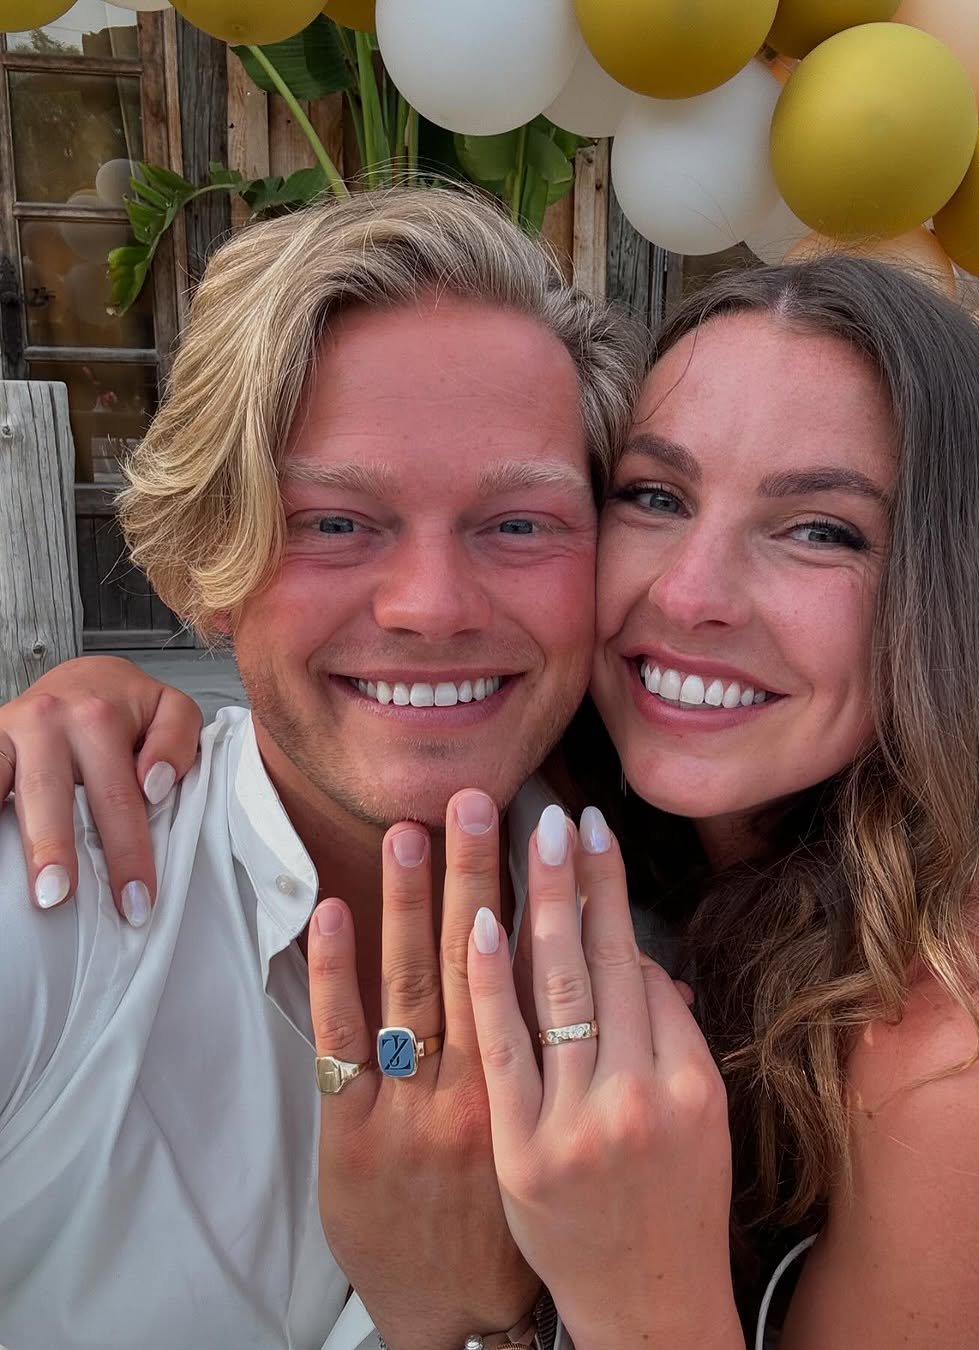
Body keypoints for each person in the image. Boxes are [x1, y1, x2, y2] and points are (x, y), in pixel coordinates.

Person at [5, 257, 979, 1346]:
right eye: (656, 498)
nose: (689, 595)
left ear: (956, 593)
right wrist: (84, 697)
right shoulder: (596, 802)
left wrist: (590, 1306)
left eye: (822, 529)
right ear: (214, 563)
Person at [0, 185, 688, 1350]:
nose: (431, 609)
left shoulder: (688, 936)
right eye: (333, 522)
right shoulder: (41, 915)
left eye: (519, 524)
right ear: (212, 561)